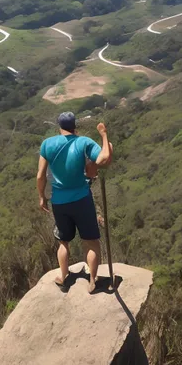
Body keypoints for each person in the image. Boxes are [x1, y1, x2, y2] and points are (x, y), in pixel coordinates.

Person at [37, 112, 112, 294]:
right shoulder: (83, 142)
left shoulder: (47, 144)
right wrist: (103, 135)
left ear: (59, 126)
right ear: (74, 126)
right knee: (91, 241)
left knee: (63, 241)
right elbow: (102, 159)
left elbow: (40, 176)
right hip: (81, 199)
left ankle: (63, 277)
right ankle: (93, 281)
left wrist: (42, 196)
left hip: (59, 201)